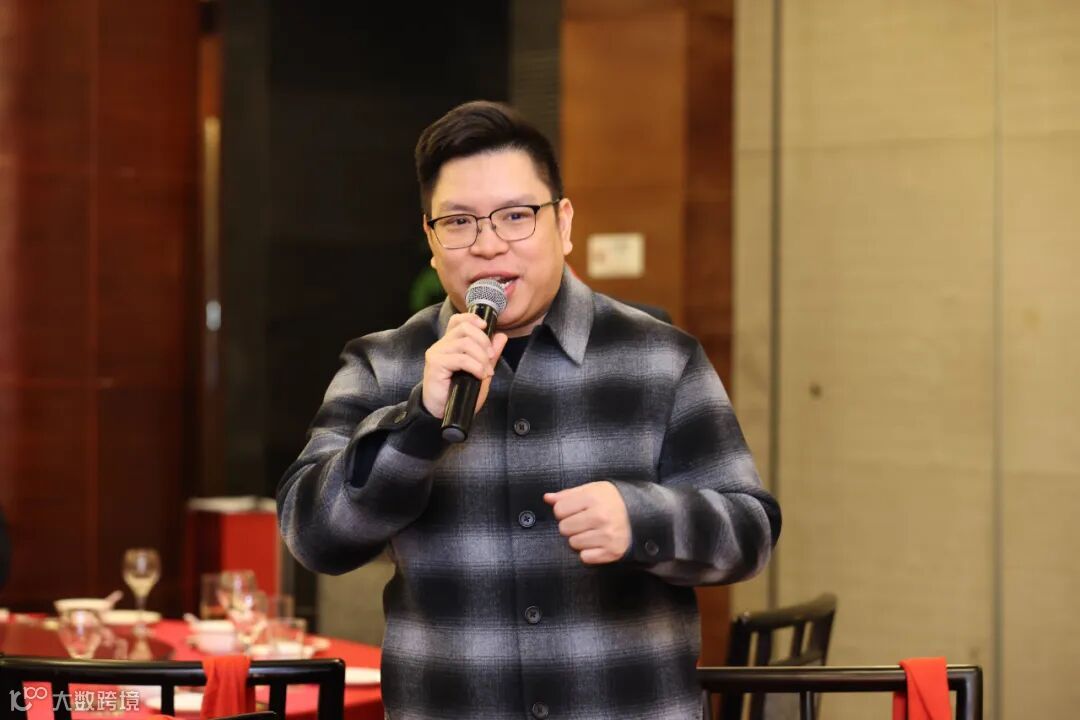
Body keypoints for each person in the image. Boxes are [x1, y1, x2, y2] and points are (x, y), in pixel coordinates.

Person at [278, 101, 781, 720]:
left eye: (516, 216)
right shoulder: (384, 364)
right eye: (459, 222)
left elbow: (751, 533)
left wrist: (643, 519)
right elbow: (312, 538)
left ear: (563, 224)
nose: (489, 245)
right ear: (432, 242)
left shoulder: (659, 357)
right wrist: (417, 423)